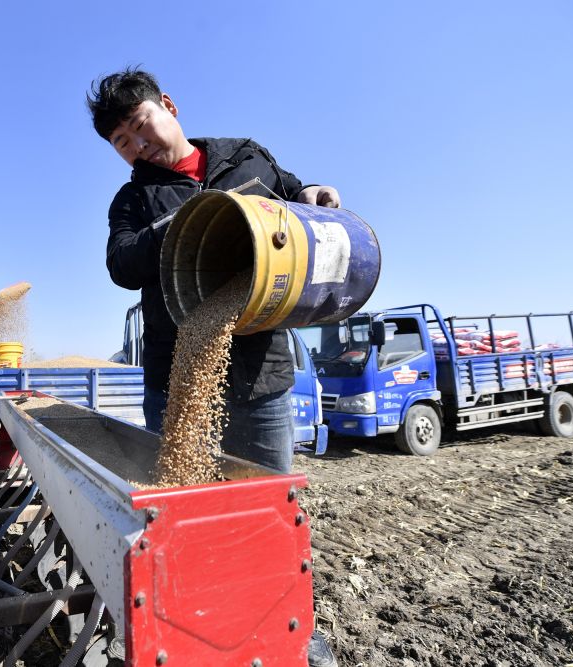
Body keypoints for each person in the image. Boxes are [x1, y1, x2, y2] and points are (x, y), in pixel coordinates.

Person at [87, 68, 339, 667]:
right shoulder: (133, 200)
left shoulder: (243, 155)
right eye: (121, 141)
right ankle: (199, 627)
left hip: (262, 371)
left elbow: (293, 191)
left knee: (269, 506)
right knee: (187, 508)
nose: (137, 144)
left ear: (168, 106)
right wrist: (193, 221)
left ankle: (289, 628)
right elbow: (121, 263)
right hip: (178, 377)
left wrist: (312, 193)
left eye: (140, 125)